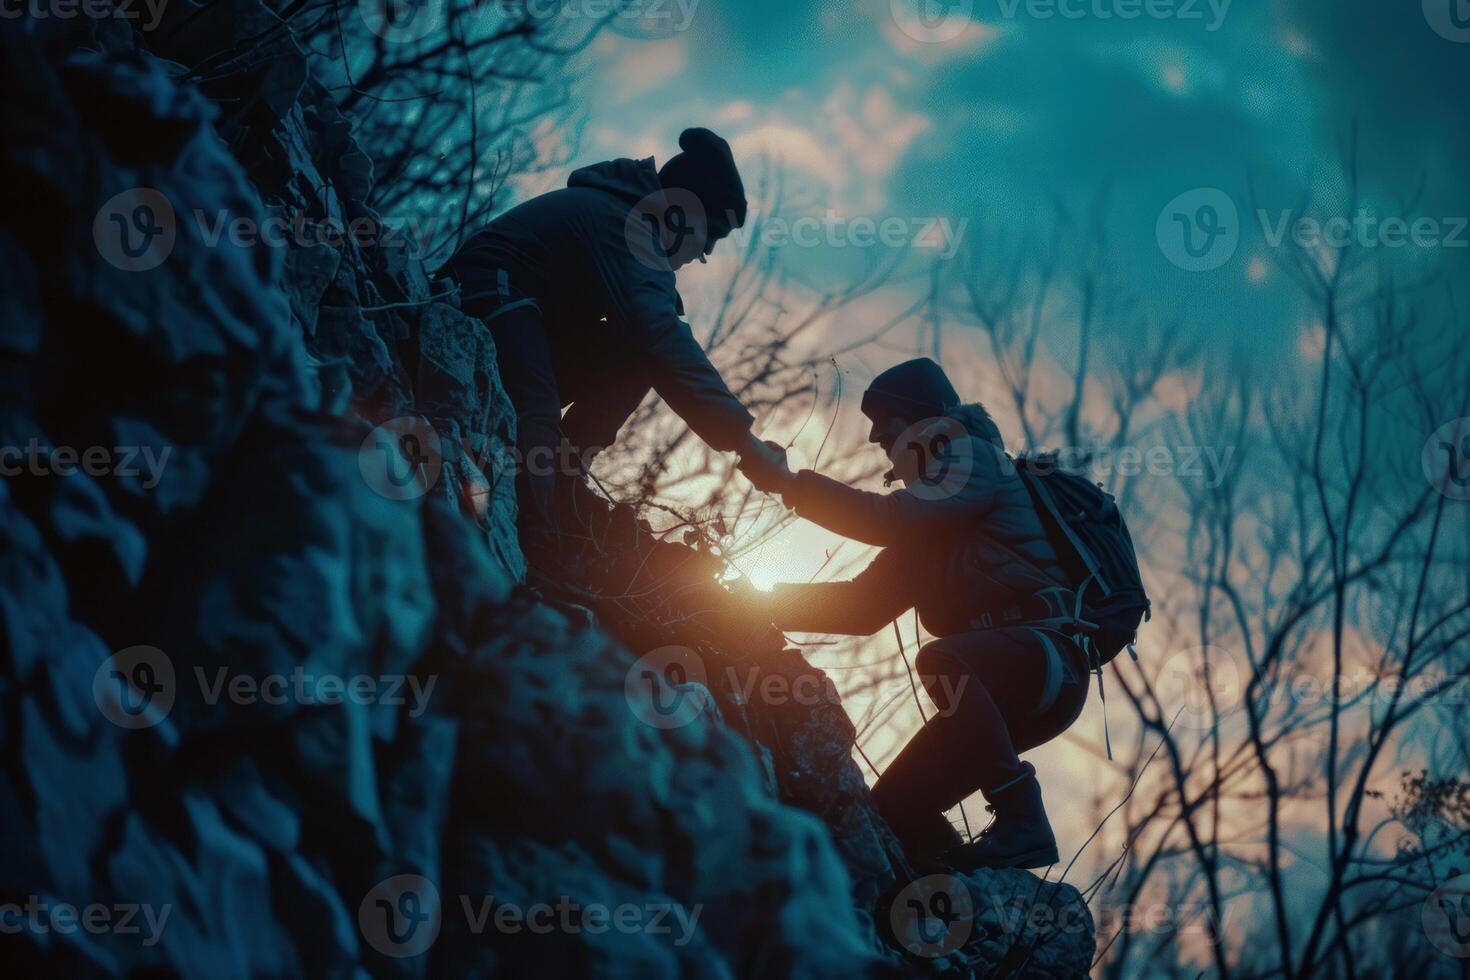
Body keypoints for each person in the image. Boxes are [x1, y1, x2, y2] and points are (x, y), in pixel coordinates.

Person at [745, 358, 1090, 871]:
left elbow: (883, 519)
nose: (875, 441)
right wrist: (754, 605)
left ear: (925, 425)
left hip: (1045, 661)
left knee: (941, 660)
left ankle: (1023, 817)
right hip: (997, 686)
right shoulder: (933, 516)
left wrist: (789, 485)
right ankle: (963, 902)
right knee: (894, 809)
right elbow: (861, 608)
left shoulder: (973, 460)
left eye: (886, 429)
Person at [436, 126, 786, 550]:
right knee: (537, 407)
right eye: (709, 236)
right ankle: (538, 540)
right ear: (678, 213)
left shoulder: (626, 224)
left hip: (521, 309)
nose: (702, 254)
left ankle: (563, 482)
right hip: (483, 289)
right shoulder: (625, 223)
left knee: (635, 357)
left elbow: (651, 338)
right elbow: (660, 333)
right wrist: (744, 441)